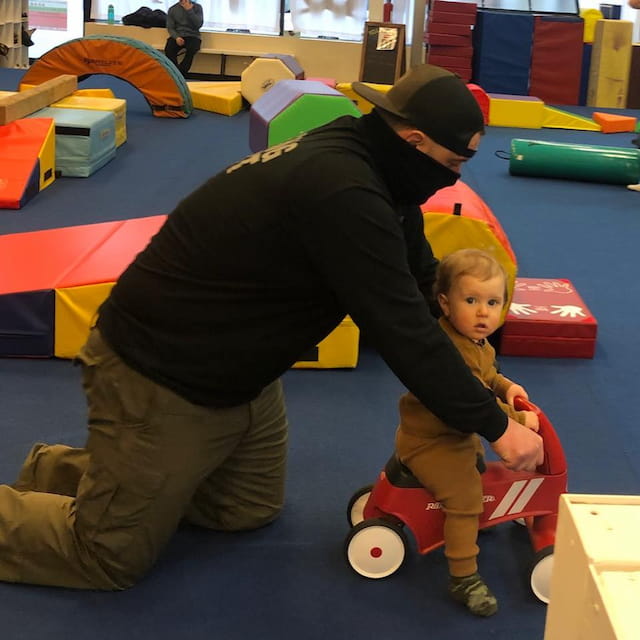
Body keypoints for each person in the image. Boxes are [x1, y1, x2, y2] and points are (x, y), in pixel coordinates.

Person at [0, 64, 543, 590]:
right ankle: (109, 491)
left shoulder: (379, 165)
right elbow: (403, 330)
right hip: (159, 371)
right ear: (417, 141)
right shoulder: (343, 190)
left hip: (240, 375)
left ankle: (68, 472)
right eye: (454, 162)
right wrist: (495, 429)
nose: (456, 175)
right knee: (106, 556)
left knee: (244, 509)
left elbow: (424, 285)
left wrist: (488, 380)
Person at [395, 248, 540, 617]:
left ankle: (476, 517)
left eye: (493, 302)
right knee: (464, 499)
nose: (482, 312)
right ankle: (463, 576)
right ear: (444, 303)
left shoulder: (476, 342)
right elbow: (473, 395)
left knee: (477, 466)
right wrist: (518, 421)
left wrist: (506, 387)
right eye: (471, 300)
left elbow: (487, 375)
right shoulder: (448, 348)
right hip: (431, 441)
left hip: (454, 434)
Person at [164, 0, 204, 78]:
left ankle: (181, 73)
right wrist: (177, 37)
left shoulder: (197, 7)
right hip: (178, 35)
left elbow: (198, 24)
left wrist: (189, 10)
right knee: (169, 49)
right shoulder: (173, 9)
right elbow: (170, 27)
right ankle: (174, 72)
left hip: (193, 35)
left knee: (192, 48)